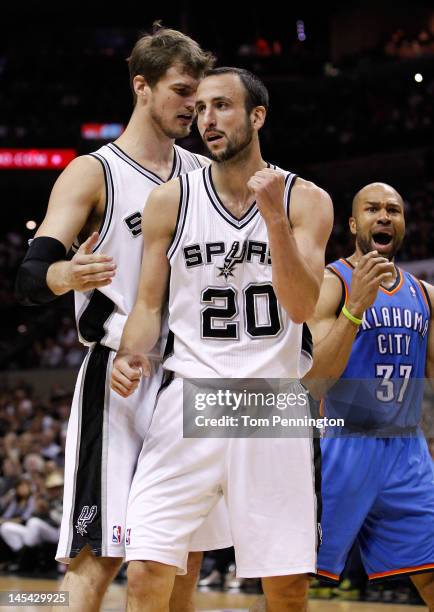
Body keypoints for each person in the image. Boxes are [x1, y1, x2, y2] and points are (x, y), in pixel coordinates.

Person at [15, 25, 231, 612]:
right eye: (182, 91)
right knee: (98, 557)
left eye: (201, 94)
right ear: (142, 86)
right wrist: (66, 276)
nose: (194, 106)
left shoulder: (205, 176)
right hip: (120, 380)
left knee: (178, 559)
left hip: (192, 380)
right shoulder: (94, 172)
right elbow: (30, 277)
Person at [111, 66, 333, 612]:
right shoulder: (170, 200)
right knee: (146, 569)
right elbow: (147, 305)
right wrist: (129, 354)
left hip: (268, 399)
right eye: (201, 107)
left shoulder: (307, 201)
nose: (206, 119)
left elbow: (303, 306)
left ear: (257, 116)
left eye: (223, 106)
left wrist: (274, 219)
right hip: (190, 395)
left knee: (286, 587)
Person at [306, 182, 434, 607]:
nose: (384, 216)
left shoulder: (425, 296)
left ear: (402, 224)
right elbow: (316, 380)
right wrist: (354, 308)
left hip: (406, 452)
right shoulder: (331, 282)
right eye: (373, 209)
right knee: (294, 585)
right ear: (353, 223)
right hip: (343, 446)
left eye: (393, 210)